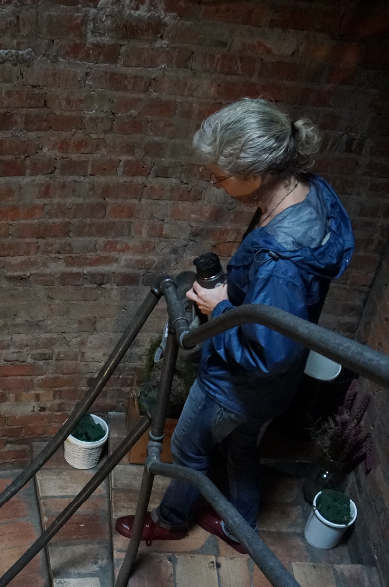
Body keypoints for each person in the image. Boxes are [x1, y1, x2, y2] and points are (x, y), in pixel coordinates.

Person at [115, 97, 354, 552]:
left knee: (188, 451)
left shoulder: (281, 260)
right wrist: (237, 296)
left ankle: (170, 520)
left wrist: (218, 310)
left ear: (257, 173)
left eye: (220, 176)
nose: (215, 183)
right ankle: (239, 526)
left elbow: (268, 350)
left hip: (235, 385)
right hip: (273, 390)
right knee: (242, 446)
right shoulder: (307, 194)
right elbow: (280, 321)